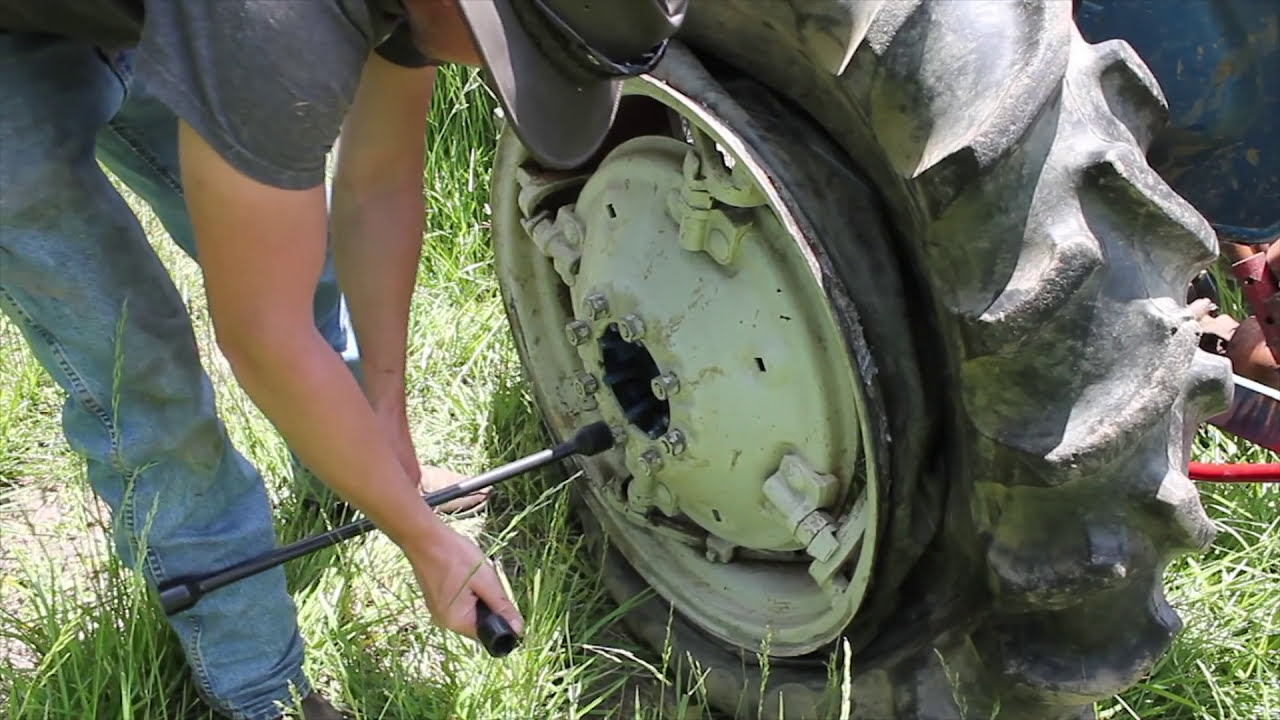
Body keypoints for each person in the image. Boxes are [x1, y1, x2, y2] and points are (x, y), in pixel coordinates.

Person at [0, 1, 687, 719]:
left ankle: (349, 473)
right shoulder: (274, 25)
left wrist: (384, 415)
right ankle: (261, 686)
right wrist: (425, 542)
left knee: (296, 250)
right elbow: (262, 336)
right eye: (511, 52)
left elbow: (376, 185)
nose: (496, 70)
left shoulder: (425, 13)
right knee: (139, 363)